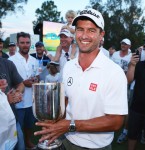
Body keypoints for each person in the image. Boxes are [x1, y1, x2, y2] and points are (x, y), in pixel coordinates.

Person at [34, 8, 128, 150]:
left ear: (101, 35)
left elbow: (116, 121)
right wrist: (56, 121)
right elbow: (66, 100)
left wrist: (70, 125)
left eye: (91, 30)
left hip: (95, 147)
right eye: (80, 29)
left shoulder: (114, 72)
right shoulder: (69, 66)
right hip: (66, 139)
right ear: (75, 32)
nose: (84, 36)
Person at [9, 32, 39, 149]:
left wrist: (36, 79)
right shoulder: (11, 60)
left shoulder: (34, 60)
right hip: (17, 102)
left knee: (29, 125)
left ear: (30, 44)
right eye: (22, 43)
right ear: (17, 44)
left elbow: (37, 76)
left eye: (27, 43)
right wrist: (22, 83)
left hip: (31, 100)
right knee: (17, 128)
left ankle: (27, 142)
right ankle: (18, 145)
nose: (25, 45)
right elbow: (9, 81)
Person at [126, 39, 145, 150]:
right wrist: (132, 65)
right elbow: (128, 80)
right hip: (136, 109)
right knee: (132, 136)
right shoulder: (139, 65)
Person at [0, 58, 25, 150]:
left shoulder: (7, 63)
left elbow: (21, 84)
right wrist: (5, 99)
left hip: (12, 118)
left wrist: (17, 93)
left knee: (20, 144)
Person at [111, 38, 132, 144]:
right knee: (111, 104)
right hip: (113, 83)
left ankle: (124, 131)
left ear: (129, 46)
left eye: (125, 44)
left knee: (125, 107)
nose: (123, 45)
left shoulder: (131, 56)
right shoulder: (115, 55)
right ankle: (110, 125)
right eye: (122, 43)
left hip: (126, 85)